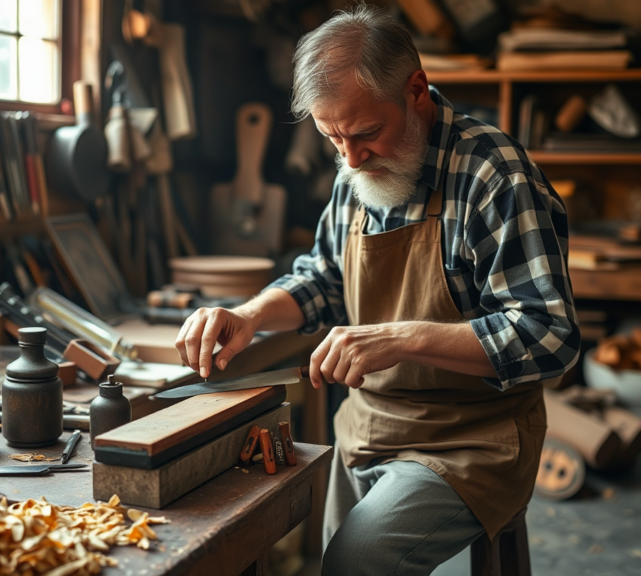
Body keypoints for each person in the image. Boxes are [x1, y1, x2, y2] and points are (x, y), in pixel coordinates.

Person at [176, 5, 580, 575]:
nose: (350, 158)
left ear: (416, 90)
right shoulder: (357, 172)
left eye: (365, 133)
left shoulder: (494, 175)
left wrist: (403, 338)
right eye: (331, 137)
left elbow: (549, 335)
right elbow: (322, 276)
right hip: (370, 425)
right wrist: (250, 315)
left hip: (473, 440)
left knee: (357, 560)